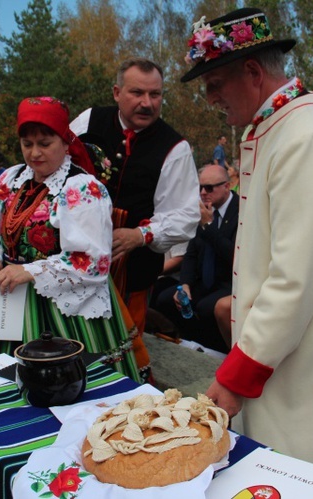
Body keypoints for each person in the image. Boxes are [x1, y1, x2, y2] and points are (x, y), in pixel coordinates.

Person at [180, 8, 313, 497]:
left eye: (215, 82)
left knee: (312, 472)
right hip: (293, 336)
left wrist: (240, 370)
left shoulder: (306, 138)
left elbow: (295, 278)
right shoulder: (280, 127)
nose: (210, 97)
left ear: (254, 72)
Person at [0, 96, 141, 381]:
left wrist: (30, 271)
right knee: (1, 386)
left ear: (66, 141)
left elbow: (90, 263)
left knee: (66, 385)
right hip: (8, 298)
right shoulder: (10, 179)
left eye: (45, 144)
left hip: (67, 310)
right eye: (27, 144)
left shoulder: (80, 188)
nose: (34, 153)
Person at [70, 58, 200, 381]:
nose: (147, 102)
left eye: (155, 94)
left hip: (132, 273)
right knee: (71, 343)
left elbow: (185, 215)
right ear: (116, 92)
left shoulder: (175, 147)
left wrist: (139, 235)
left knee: (122, 356)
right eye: (137, 92)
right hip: (73, 260)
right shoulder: (88, 121)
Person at [155, 164, 238, 352]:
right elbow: (191, 253)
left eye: (209, 188)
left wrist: (208, 225)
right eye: (200, 188)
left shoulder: (240, 211)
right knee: (166, 298)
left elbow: (233, 255)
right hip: (204, 280)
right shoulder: (203, 210)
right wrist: (184, 284)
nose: (203, 193)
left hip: (228, 282)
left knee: (205, 307)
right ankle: (192, 343)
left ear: (227, 185)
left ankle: (220, 350)